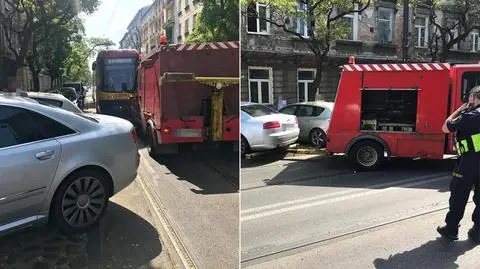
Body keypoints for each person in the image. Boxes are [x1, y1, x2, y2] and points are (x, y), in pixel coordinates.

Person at [438, 85, 480, 242]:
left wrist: (460, 109)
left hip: (468, 164)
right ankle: (477, 233)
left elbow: (445, 127)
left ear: (473, 98)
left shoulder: (469, 116)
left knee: (459, 197)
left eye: (470, 97)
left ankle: (451, 230)